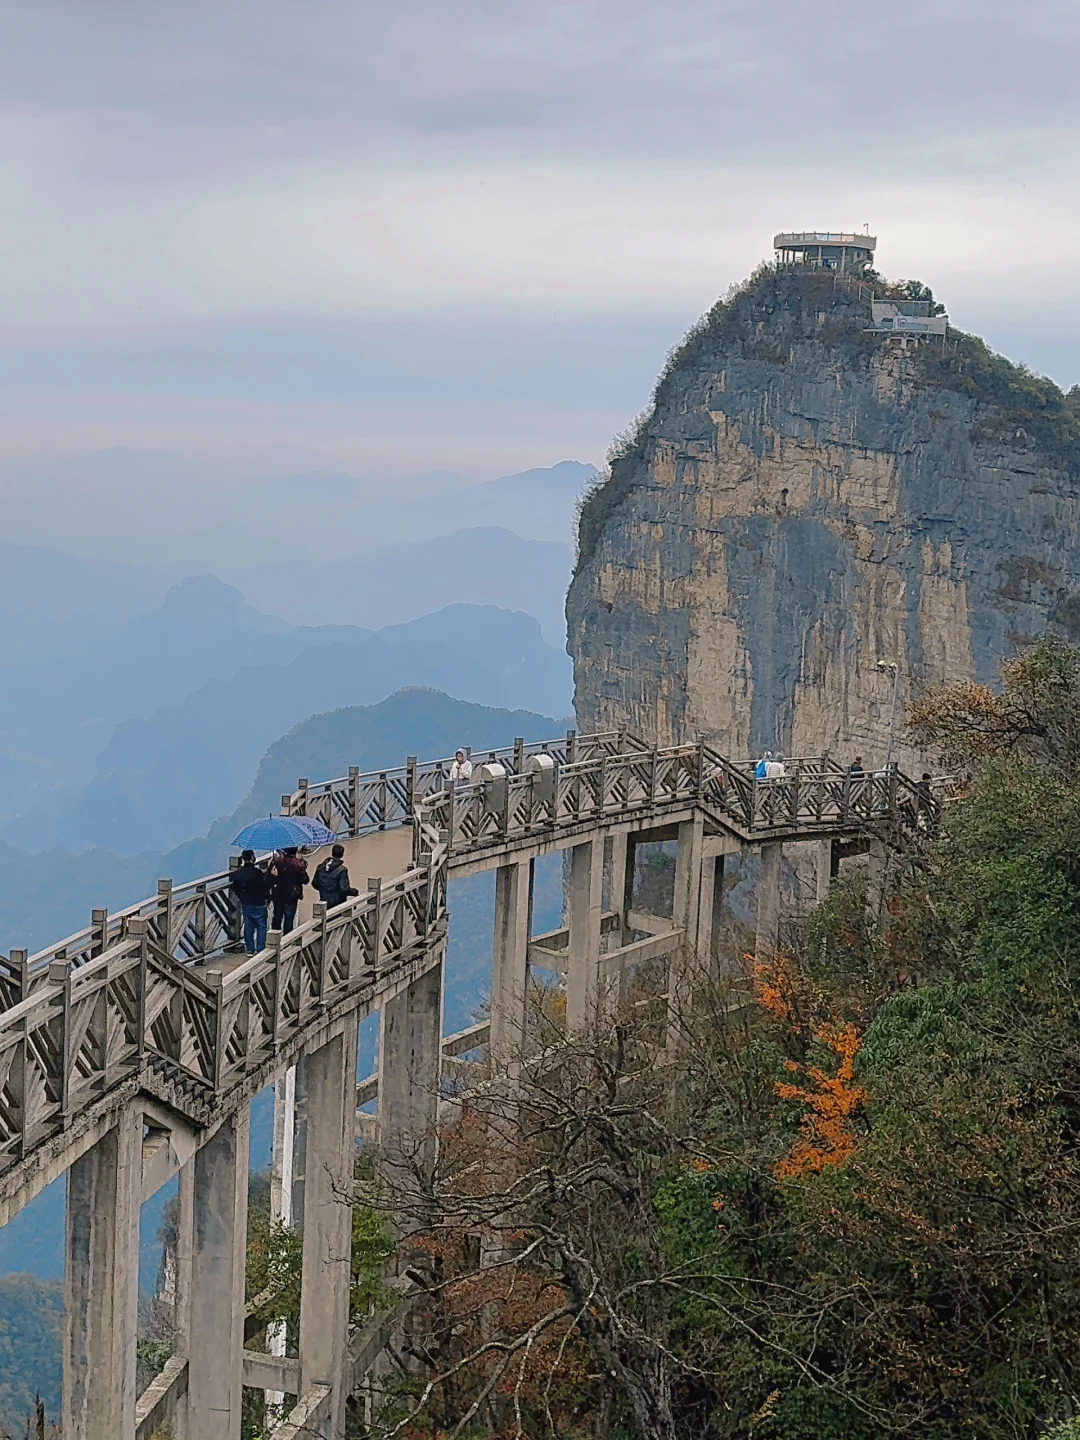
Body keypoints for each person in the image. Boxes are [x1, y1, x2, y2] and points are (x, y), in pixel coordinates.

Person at [230, 849, 271, 955]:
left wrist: (241, 897)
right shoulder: (257, 873)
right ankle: (260, 949)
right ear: (252, 857)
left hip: (246, 902)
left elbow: (236, 888)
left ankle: (250, 949)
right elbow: (265, 886)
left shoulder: (238, 874)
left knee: (249, 925)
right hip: (259, 902)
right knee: (261, 926)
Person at [269, 846, 308, 934]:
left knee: (277, 917)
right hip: (292, 895)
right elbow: (305, 880)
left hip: (278, 893)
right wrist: (302, 863)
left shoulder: (277, 862)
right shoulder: (298, 864)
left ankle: (274, 939)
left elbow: (269, 876)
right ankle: (287, 941)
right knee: (289, 919)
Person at [312, 843, 360, 909]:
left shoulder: (320, 867)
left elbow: (314, 883)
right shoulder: (342, 870)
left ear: (332, 853)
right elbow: (344, 888)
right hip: (338, 904)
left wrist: (325, 890)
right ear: (342, 854)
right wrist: (354, 892)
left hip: (324, 901)